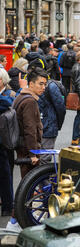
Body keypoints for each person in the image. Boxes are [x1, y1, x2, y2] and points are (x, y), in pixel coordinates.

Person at [14, 67, 47, 179]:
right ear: (31, 84)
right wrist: (33, 154)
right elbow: (30, 129)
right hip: (27, 149)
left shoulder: (21, 96)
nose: (44, 88)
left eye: (45, 84)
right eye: (40, 84)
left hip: (22, 146)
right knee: (29, 184)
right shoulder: (30, 102)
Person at [38, 73, 66, 164]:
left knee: (44, 158)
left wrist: (57, 125)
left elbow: (60, 107)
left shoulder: (51, 87)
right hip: (44, 126)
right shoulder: (50, 86)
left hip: (48, 126)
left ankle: (42, 177)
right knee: (41, 156)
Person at [0, 69, 16, 216]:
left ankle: (7, 205)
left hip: (4, 142)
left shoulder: (9, 94)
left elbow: (7, 103)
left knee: (5, 175)